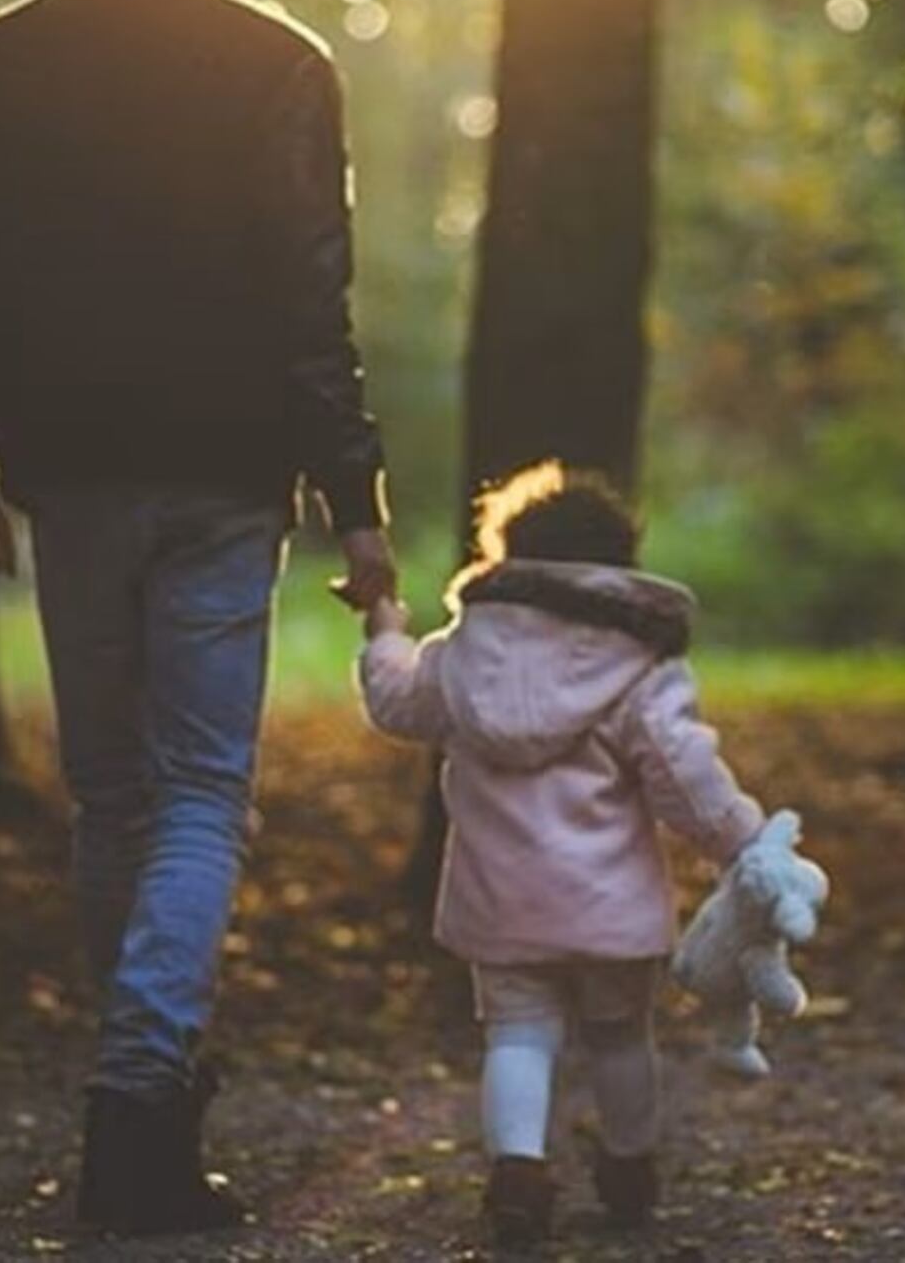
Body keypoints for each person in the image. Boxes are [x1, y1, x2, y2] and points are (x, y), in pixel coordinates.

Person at [0, 0, 396, 1235]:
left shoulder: (1, 63)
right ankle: (139, 1104)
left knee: (116, 795)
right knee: (196, 794)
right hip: (225, 474)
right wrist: (357, 496)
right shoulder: (280, 67)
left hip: (66, 473)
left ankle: (149, 1098)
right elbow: (316, 294)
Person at [357, 463, 773, 1246]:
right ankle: (629, 1166)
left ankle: (518, 1174)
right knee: (620, 1034)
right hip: (609, 907)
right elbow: (684, 774)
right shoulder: (639, 662)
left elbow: (396, 701)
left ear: (509, 554)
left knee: (516, 1034)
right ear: (620, 564)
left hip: (499, 899)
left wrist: (384, 632)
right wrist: (741, 843)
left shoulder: (464, 651)